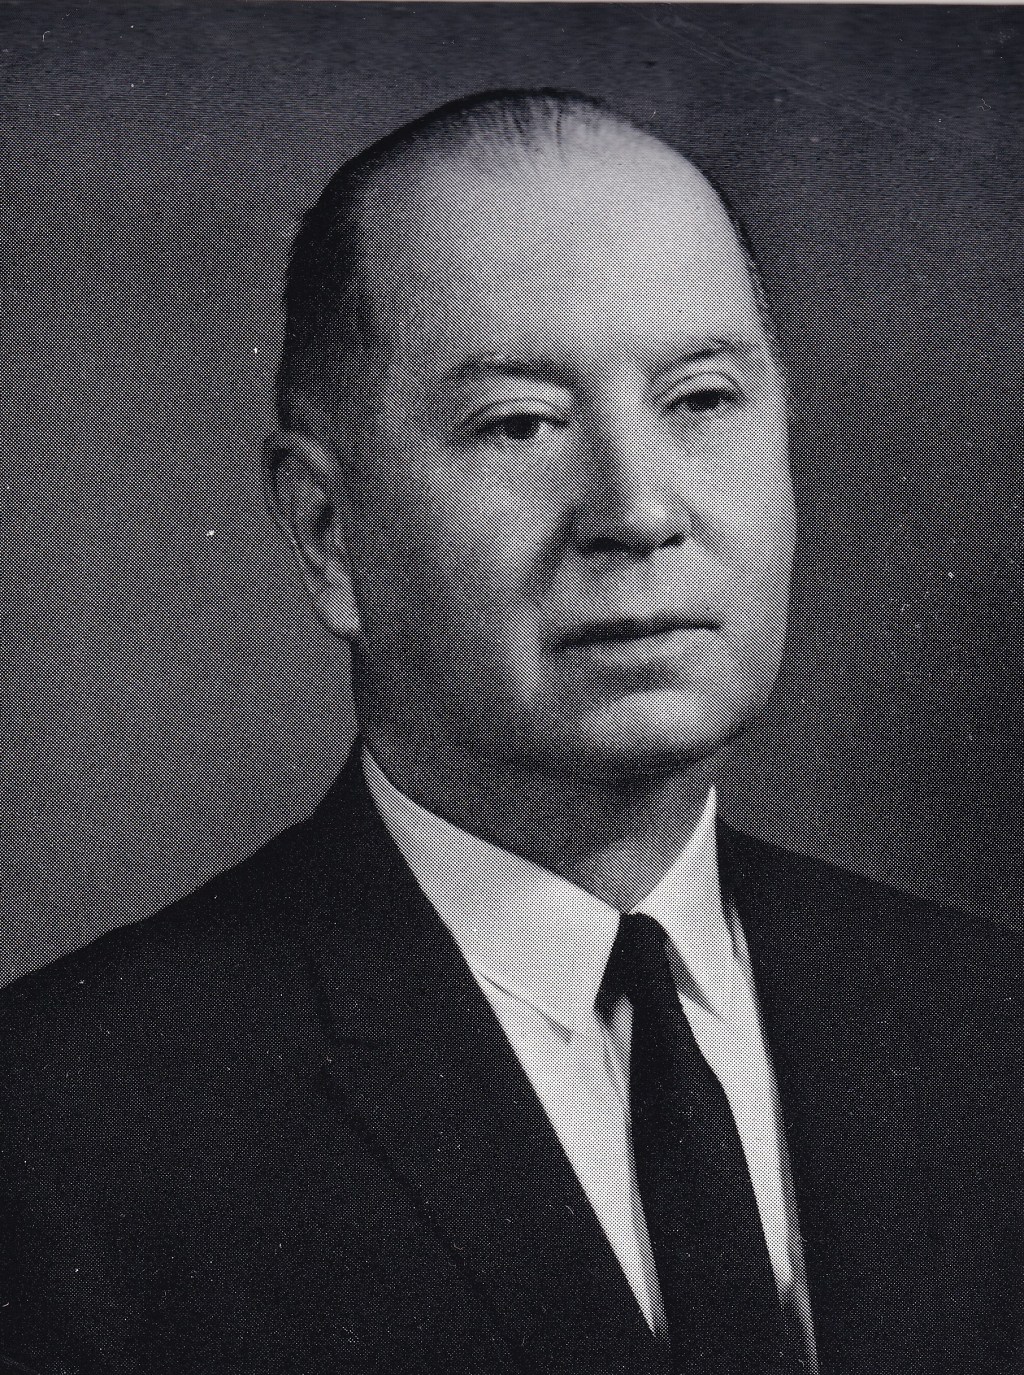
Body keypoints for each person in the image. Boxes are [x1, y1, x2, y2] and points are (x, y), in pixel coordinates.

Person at [0, 89, 1020, 1375]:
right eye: (519, 424)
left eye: (701, 400)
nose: (637, 509)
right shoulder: (66, 1126)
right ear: (326, 533)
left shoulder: (985, 1026)